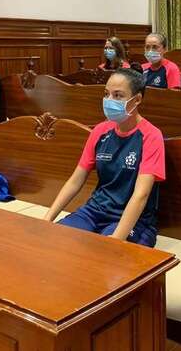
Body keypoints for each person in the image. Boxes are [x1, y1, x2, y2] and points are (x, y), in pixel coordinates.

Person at [43, 68, 164, 247]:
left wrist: (116, 240)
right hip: (95, 211)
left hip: (135, 220)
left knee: (103, 253)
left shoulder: (151, 136)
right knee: (57, 241)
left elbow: (141, 194)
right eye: (106, 94)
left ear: (137, 99)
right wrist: (47, 219)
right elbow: (75, 181)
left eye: (118, 95)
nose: (109, 100)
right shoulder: (100, 131)